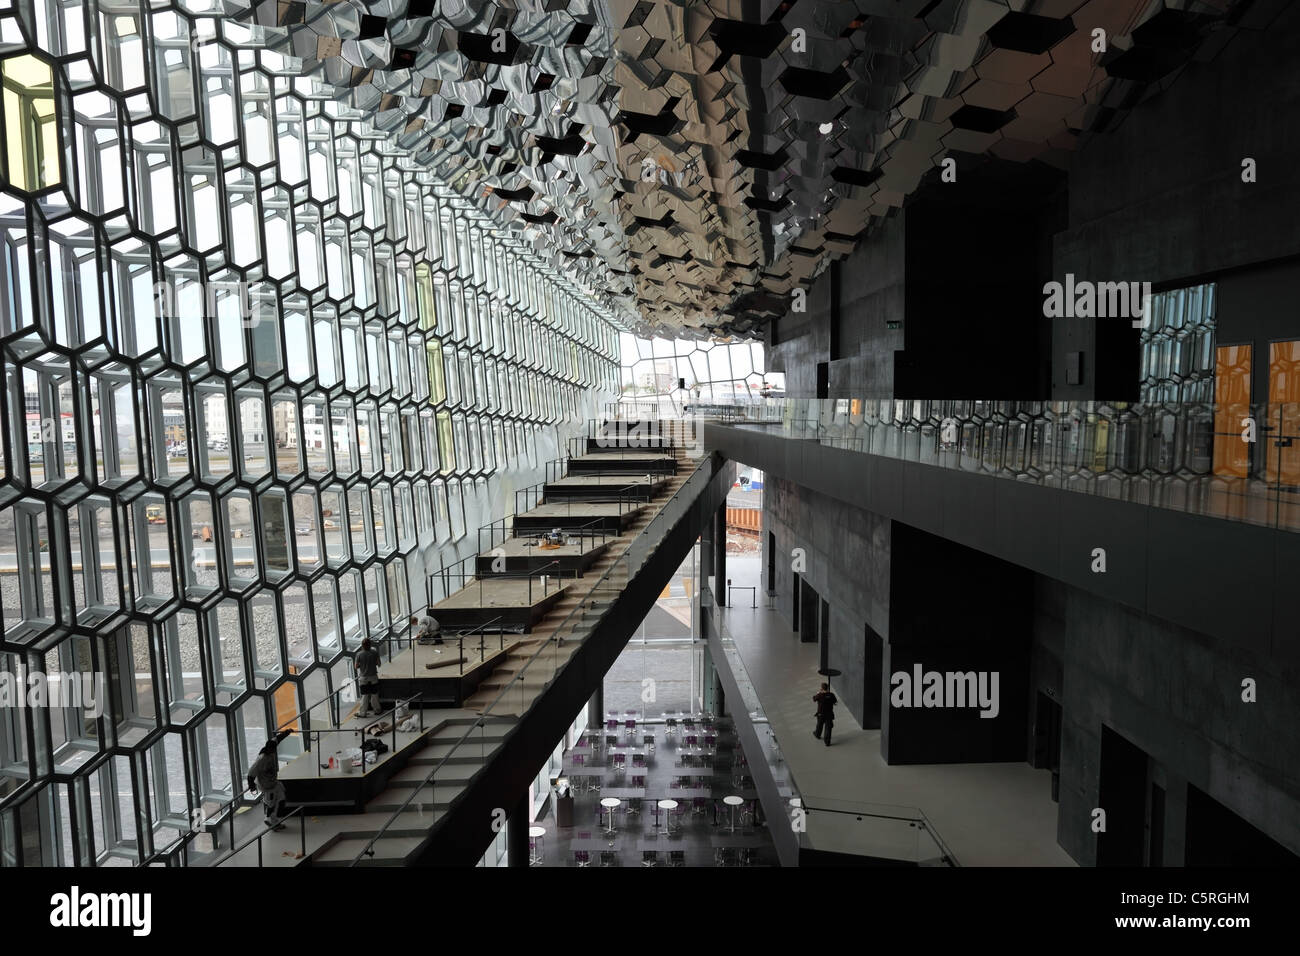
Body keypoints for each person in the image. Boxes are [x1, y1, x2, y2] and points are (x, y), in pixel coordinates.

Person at [246, 729, 292, 830]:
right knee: (271, 804)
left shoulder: (270, 748)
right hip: (266, 785)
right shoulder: (262, 759)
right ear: (269, 750)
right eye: (273, 750)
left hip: (273, 782)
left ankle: (274, 819)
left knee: (281, 798)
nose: (274, 752)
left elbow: (277, 739)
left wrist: (287, 732)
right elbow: (250, 773)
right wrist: (252, 786)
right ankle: (270, 819)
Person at [355, 637, 382, 717]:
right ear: (370, 645)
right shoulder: (374, 652)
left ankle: (362, 713)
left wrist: (362, 665)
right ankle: (377, 710)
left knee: (364, 696)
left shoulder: (359, 654)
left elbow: (356, 666)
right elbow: (379, 664)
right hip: (373, 677)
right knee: (374, 695)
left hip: (363, 678)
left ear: (362, 646)